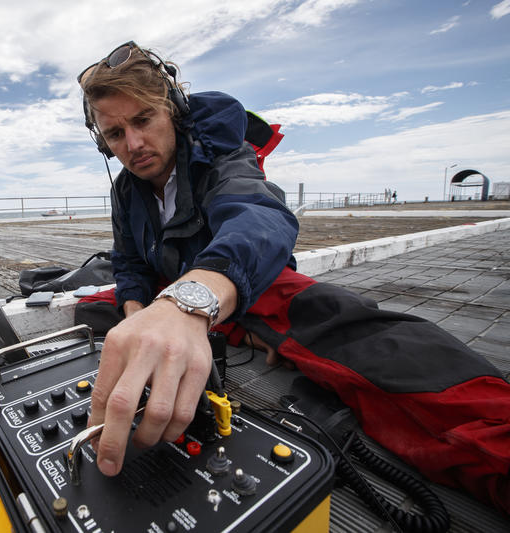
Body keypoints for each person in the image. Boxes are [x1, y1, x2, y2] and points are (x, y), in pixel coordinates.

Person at [76, 41, 509, 515]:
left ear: (173, 111)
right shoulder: (125, 191)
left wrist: (189, 302)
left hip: (234, 281)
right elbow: (129, 262)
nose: (133, 145)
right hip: (169, 296)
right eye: (115, 133)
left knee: (343, 328)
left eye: (142, 121)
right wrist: (138, 316)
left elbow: (260, 217)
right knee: (93, 311)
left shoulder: (223, 155)